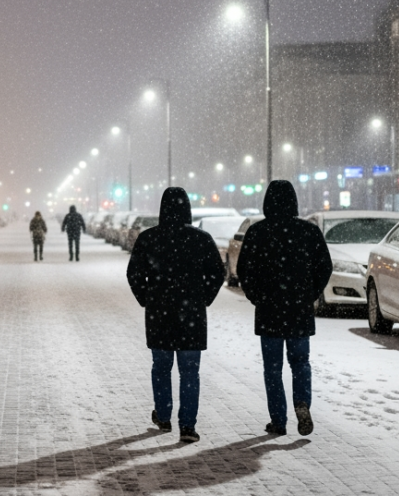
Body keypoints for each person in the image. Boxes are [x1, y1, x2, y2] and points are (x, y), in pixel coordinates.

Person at [125, 187, 225, 443]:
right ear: (187, 208)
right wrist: (204, 298)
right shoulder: (201, 239)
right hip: (191, 314)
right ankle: (188, 425)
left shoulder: (149, 238)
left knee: (161, 367)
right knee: (189, 371)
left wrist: (146, 298)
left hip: (160, 314)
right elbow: (217, 273)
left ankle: (163, 415)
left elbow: (134, 274)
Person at [236, 180, 333, 437]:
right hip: (299, 310)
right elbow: (325, 267)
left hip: (269, 311)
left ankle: (278, 419)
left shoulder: (257, 232)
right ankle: (302, 403)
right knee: (300, 362)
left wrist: (257, 296)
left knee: (272, 368)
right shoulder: (308, 231)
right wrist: (309, 294)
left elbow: (243, 270)